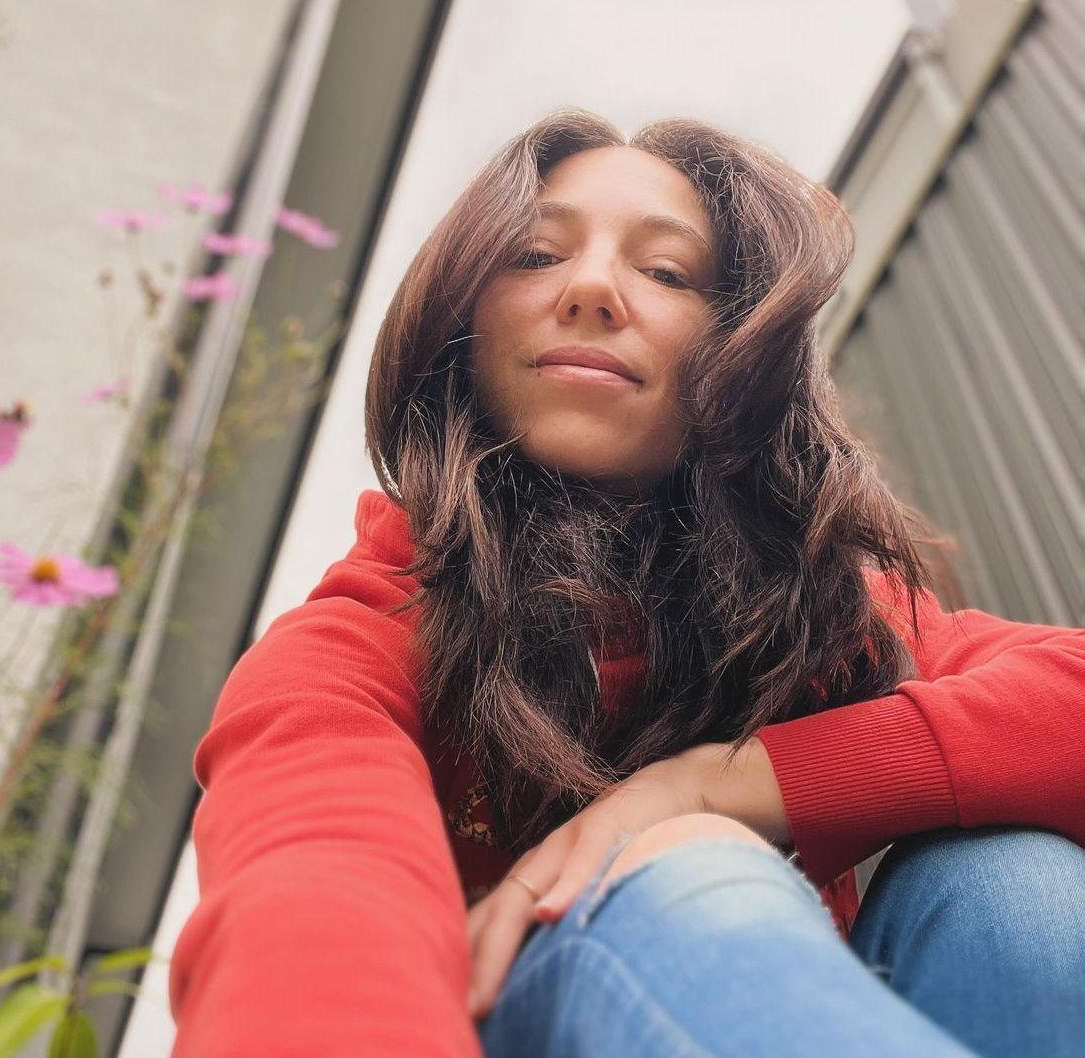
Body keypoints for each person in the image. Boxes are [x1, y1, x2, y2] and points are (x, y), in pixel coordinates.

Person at [167, 108, 1085, 1057]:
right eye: (534, 255)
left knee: (1012, 876)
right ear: (462, 329)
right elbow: (312, 902)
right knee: (676, 877)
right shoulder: (374, 630)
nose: (595, 288)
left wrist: (718, 788)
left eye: (665, 272)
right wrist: (680, 840)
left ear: (735, 353)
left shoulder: (828, 616)